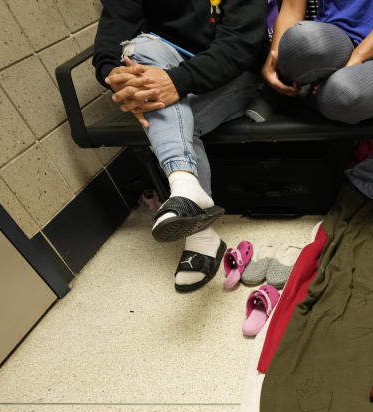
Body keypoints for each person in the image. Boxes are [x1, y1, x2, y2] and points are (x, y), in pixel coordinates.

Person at [92, 0, 267, 291]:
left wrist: (176, 82)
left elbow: (240, 44)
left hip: (233, 74)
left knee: (176, 122)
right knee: (140, 47)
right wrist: (117, 78)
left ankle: (196, 224)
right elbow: (111, 38)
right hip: (164, 66)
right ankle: (187, 190)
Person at [255, 0, 373, 124]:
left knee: (343, 94)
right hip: (335, 41)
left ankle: (310, 95)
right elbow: (291, 9)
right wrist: (272, 65)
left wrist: (358, 57)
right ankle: (299, 89)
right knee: (300, 41)